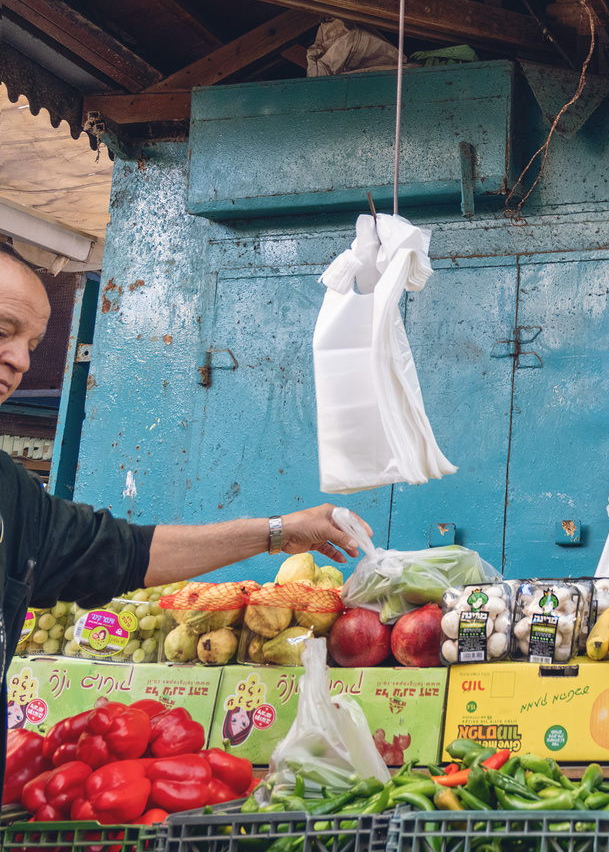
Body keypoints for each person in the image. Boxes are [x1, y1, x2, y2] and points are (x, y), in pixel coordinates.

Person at [0, 242, 369, 786]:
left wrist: (279, 532)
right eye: (4, 329)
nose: (21, 359)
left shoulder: (11, 493)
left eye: (31, 343)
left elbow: (126, 552)